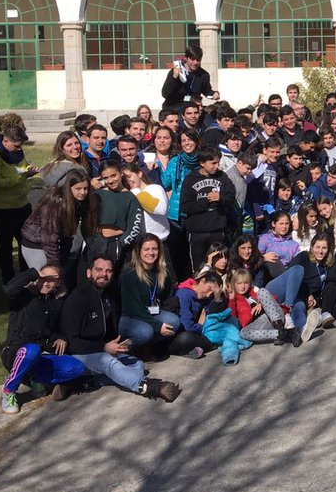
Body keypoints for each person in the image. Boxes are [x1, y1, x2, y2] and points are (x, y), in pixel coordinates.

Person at [59, 257, 181, 402]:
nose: (104, 274)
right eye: (99, 270)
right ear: (88, 273)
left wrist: (115, 345)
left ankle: (84, 382)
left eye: (108, 271)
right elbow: (71, 343)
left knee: (137, 364)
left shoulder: (108, 295)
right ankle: (150, 387)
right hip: (79, 355)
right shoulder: (77, 299)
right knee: (107, 362)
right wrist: (104, 347)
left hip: (100, 349)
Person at [0, 264, 86, 414]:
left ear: (58, 283)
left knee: (77, 367)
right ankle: (8, 390)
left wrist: (59, 337)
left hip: (38, 356)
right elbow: (8, 289)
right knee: (32, 350)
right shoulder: (23, 295)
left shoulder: (54, 303)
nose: (45, 283)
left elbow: (50, 330)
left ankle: (36, 380)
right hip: (15, 353)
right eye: (43, 278)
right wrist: (33, 273)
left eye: (51, 280)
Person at [20, 169, 98, 288]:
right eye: (78, 189)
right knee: (45, 280)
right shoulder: (55, 202)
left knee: (57, 280)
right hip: (36, 243)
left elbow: (69, 232)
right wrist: (55, 264)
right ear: (69, 188)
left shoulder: (80, 202)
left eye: (85, 188)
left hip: (56, 241)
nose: (83, 192)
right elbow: (49, 237)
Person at [0, 124, 37, 284]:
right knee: (5, 247)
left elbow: (22, 167)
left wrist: (29, 169)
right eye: (16, 146)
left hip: (22, 205)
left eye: (21, 146)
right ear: (5, 141)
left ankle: (26, 277)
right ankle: (8, 280)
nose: (19, 149)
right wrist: (21, 177)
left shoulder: (17, 151)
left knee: (26, 242)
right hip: (2, 209)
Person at [180, 148, 238, 277]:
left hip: (217, 231)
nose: (217, 166)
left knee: (219, 267)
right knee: (199, 269)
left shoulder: (222, 177)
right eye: (213, 163)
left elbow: (231, 198)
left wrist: (221, 198)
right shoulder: (190, 179)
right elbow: (184, 207)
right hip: (197, 232)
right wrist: (205, 201)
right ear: (202, 163)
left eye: (218, 163)